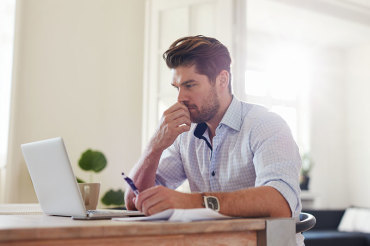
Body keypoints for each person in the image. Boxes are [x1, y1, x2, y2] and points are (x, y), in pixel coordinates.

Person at [125, 35, 302, 222]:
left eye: (190, 85)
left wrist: (190, 202)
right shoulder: (185, 136)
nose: (180, 98)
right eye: (177, 88)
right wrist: (155, 146)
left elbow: (280, 203)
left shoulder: (266, 125)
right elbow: (134, 201)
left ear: (222, 80)